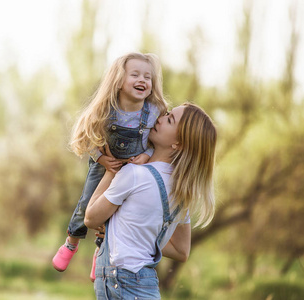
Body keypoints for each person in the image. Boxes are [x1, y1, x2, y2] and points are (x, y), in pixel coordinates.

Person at [84, 102, 217, 299]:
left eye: (170, 120)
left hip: (120, 282)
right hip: (146, 285)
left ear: (178, 144)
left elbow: (91, 218)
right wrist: (129, 230)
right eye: (167, 114)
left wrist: (112, 170)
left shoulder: (134, 174)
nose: (161, 118)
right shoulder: (182, 192)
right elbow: (182, 251)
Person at [52, 52, 168, 272]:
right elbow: (84, 138)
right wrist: (102, 159)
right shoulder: (106, 109)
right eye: (135, 75)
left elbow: (160, 139)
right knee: (87, 203)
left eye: (147, 77)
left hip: (133, 169)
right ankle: (71, 242)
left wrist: (147, 155)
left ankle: (101, 250)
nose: (142, 80)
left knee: (114, 213)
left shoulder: (154, 112)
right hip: (105, 164)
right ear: (119, 81)